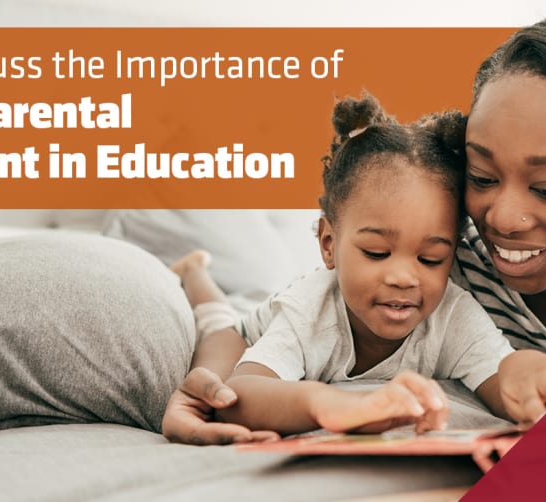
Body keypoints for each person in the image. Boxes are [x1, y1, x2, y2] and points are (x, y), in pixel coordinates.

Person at [161, 10, 546, 444]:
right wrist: (209, 385)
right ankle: (194, 274)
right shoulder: (447, 252)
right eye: (481, 176)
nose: (501, 219)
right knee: (233, 300)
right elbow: (278, 338)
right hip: (271, 307)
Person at [169, 96, 519, 437]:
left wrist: (542, 377)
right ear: (329, 244)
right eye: (377, 252)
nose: (402, 278)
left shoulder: (455, 316)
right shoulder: (311, 312)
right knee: (217, 327)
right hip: (244, 333)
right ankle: (193, 271)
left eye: (430, 259)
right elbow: (240, 394)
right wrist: (329, 403)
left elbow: (507, 383)